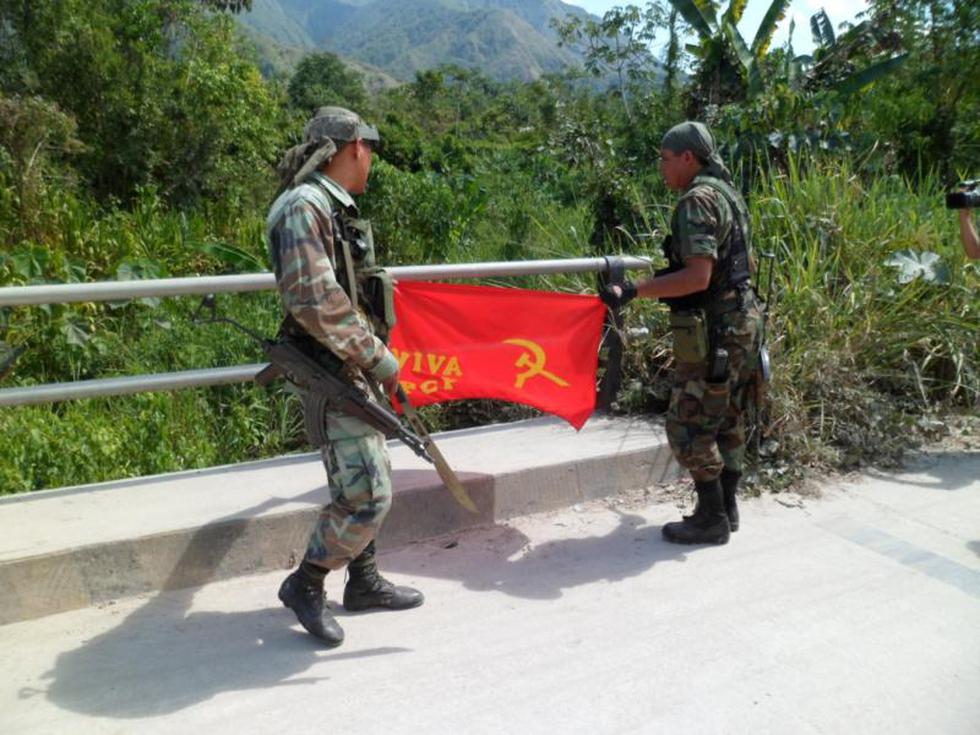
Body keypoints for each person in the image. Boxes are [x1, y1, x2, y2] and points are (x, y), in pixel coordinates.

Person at [266, 106, 423, 647]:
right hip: (330, 365)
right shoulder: (303, 208)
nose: (371, 159)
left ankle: (364, 580)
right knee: (367, 494)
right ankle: (306, 583)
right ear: (354, 147)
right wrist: (378, 358)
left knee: (363, 472)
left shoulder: (329, 207)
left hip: (349, 361)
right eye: (369, 149)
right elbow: (316, 302)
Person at [601, 121, 764, 546]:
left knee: (686, 424)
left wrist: (633, 290)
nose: (662, 167)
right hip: (743, 321)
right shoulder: (727, 193)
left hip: (718, 329)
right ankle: (726, 508)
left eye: (666, 159)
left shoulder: (697, 200)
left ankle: (711, 518)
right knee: (728, 415)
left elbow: (696, 277)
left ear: (688, 158)